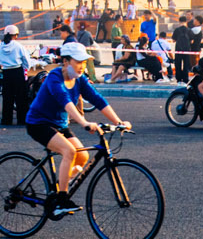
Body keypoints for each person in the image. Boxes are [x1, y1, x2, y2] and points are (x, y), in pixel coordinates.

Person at [24, 44, 131, 217]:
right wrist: (84, 123)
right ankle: (61, 200)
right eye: (78, 62)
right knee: (69, 150)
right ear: (66, 61)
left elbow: (97, 99)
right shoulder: (54, 77)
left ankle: (60, 184)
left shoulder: (79, 79)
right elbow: (65, 100)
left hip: (59, 124)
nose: (82, 66)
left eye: (84, 62)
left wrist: (119, 122)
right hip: (39, 123)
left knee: (82, 156)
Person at [0, 25, 29, 127]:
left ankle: (6, 119)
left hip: (6, 72)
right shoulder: (18, 46)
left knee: (7, 98)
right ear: (16, 35)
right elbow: (26, 60)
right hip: (17, 71)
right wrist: (25, 67)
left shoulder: (1, 46)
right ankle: (21, 119)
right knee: (21, 97)